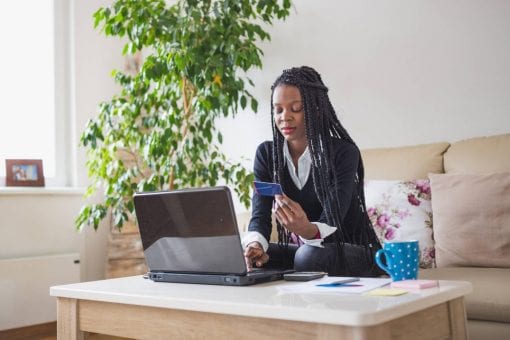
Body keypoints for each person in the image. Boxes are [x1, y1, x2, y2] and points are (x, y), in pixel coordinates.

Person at [242, 66, 383, 277]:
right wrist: (256, 245)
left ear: (315, 108)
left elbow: (331, 222)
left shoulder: (343, 153)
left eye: (296, 108)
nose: (285, 117)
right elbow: (260, 215)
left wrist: (306, 229)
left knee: (307, 256)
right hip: (308, 251)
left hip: (355, 251)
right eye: (278, 109)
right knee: (240, 253)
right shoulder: (267, 155)